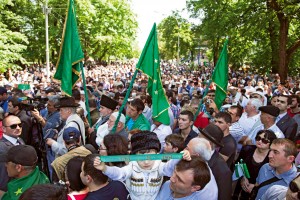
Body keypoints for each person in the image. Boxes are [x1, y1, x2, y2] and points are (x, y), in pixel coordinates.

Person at [93, 130, 191, 200]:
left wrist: (180, 156)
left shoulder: (159, 166)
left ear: (156, 154)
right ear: (134, 155)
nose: (146, 162)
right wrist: (105, 168)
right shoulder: (132, 167)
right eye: (141, 156)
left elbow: (169, 168)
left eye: (151, 156)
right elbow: (119, 173)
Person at [232, 129, 277, 199]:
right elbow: (237, 164)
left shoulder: (271, 158)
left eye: (264, 141)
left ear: (270, 144)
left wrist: (255, 185)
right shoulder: (247, 149)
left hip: (257, 192)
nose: (260, 141)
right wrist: (242, 178)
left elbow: (271, 177)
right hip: (240, 188)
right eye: (258, 138)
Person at [30, 95, 63, 178]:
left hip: (52, 146)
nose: (47, 106)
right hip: (46, 144)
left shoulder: (58, 115)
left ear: (56, 107)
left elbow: (49, 126)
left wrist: (39, 118)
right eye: (47, 104)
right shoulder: (48, 112)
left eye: (49, 105)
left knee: (52, 167)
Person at [198, 123, 232, 200]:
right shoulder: (195, 154)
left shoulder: (222, 170)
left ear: (208, 143)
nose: (196, 139)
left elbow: (224, 197)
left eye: (199, 137)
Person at [0, 115, 24, 191]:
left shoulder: (19, 139)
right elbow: (3, 175)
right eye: (13, 126)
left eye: (20, 125)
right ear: (3, 129)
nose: (18, 128)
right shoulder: (2, 148)